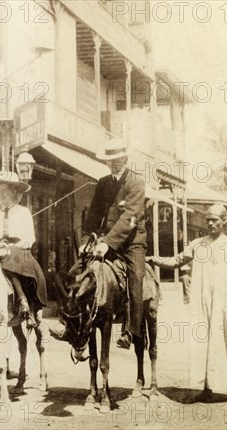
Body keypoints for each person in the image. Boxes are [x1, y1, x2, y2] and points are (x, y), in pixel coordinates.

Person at [147, 204, 227, 404]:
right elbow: (177, 261)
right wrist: (154, 259)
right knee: (204, 342)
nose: (211, 223)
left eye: (215, 220)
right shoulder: (197, 244)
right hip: (203, 302)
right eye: (208, 220)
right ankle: (207, 388)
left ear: (224, 221)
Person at [68, 139, 147, 350]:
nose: (114, 164)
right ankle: (70, 322)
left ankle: (131, 330)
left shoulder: (136, 182)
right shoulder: (103, 183)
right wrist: (87, 241)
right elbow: (93, 216)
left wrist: (109, 243)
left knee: (136, 277)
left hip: (132, 243)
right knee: (75, 272)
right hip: (103, 240)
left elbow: (130, 218)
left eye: (118, 160)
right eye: (110, 161)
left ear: (126, 159)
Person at [0, 171, 47, 326]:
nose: (1, 194)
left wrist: (12, 248)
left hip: (19, 252)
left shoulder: (23, 212)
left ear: (14, 192)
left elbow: (30, 239)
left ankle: (24, 301)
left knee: (11, 258)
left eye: (4, 191)